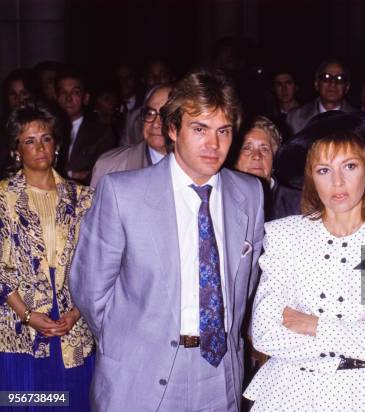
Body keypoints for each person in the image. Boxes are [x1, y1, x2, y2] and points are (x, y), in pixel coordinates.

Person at [70, 69, 265, 411]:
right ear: (172, 129)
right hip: (141, 374)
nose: (213, 144)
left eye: (223, 131)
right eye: (199, 129)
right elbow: (89, 289)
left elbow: (244, 289)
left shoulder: (249, 193)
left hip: (220, 375)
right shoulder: (123, 193)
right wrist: (130, 342)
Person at [244, 131, 365, 411]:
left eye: (350, 166)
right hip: (287, 392)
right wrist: (358, 336)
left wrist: (314, 325)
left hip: (362, 394)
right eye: (324, 170)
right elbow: (265, 332)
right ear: (311, 177)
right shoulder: (286, 235)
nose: (338, 181)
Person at [0, 101, 95, 410]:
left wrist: (77, 312)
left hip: (72, 327)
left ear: (56, 144)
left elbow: (94, 266)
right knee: (25, 401)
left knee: (71, 402)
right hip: (18, 328)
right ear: (16, 149)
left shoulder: (83, 198)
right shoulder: (3, 197)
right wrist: (27, 315)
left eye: (46, 138)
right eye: (29, 140)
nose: (39, 147)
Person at [90, 84, 172, 188]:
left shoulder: (196, 167)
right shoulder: (110, 167)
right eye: (150, 113)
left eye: (166, 115)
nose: (156, 124)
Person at [233, 115, 300, 220]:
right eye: (247, 148)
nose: (256, 156)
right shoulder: (221, 200)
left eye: (264, 149)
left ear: (274, 157)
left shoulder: (297, 203)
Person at [54, 69, 116, 183]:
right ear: (56, 97)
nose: (68, 98)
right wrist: (74, 174)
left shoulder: (101, 133)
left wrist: (67, 174)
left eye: (75, 92)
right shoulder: (47, 130)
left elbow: (99, 174)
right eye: (63, 92)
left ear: (86, 98)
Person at [286, 58, 357, 135]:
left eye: (340, 79)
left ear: (347, 87)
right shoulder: (294, 119)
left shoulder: (358, 120)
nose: (333, 83)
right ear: (317, 84)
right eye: (326, 78)